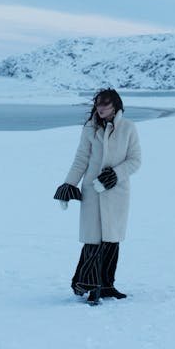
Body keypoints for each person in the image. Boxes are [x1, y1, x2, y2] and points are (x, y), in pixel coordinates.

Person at [53, 88, 142, 304]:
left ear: (116, 106)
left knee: (112, 241)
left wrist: (114, 175)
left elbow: (135, 160)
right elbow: (81, 159)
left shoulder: (128, 128)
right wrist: (68, 185)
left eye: (105, 104)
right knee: (93, 241)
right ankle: (91, 286)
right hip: (92, 192)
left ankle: (108, 285)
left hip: (117, 193)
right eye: (98, 104)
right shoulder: (90, 129)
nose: (101, 108)